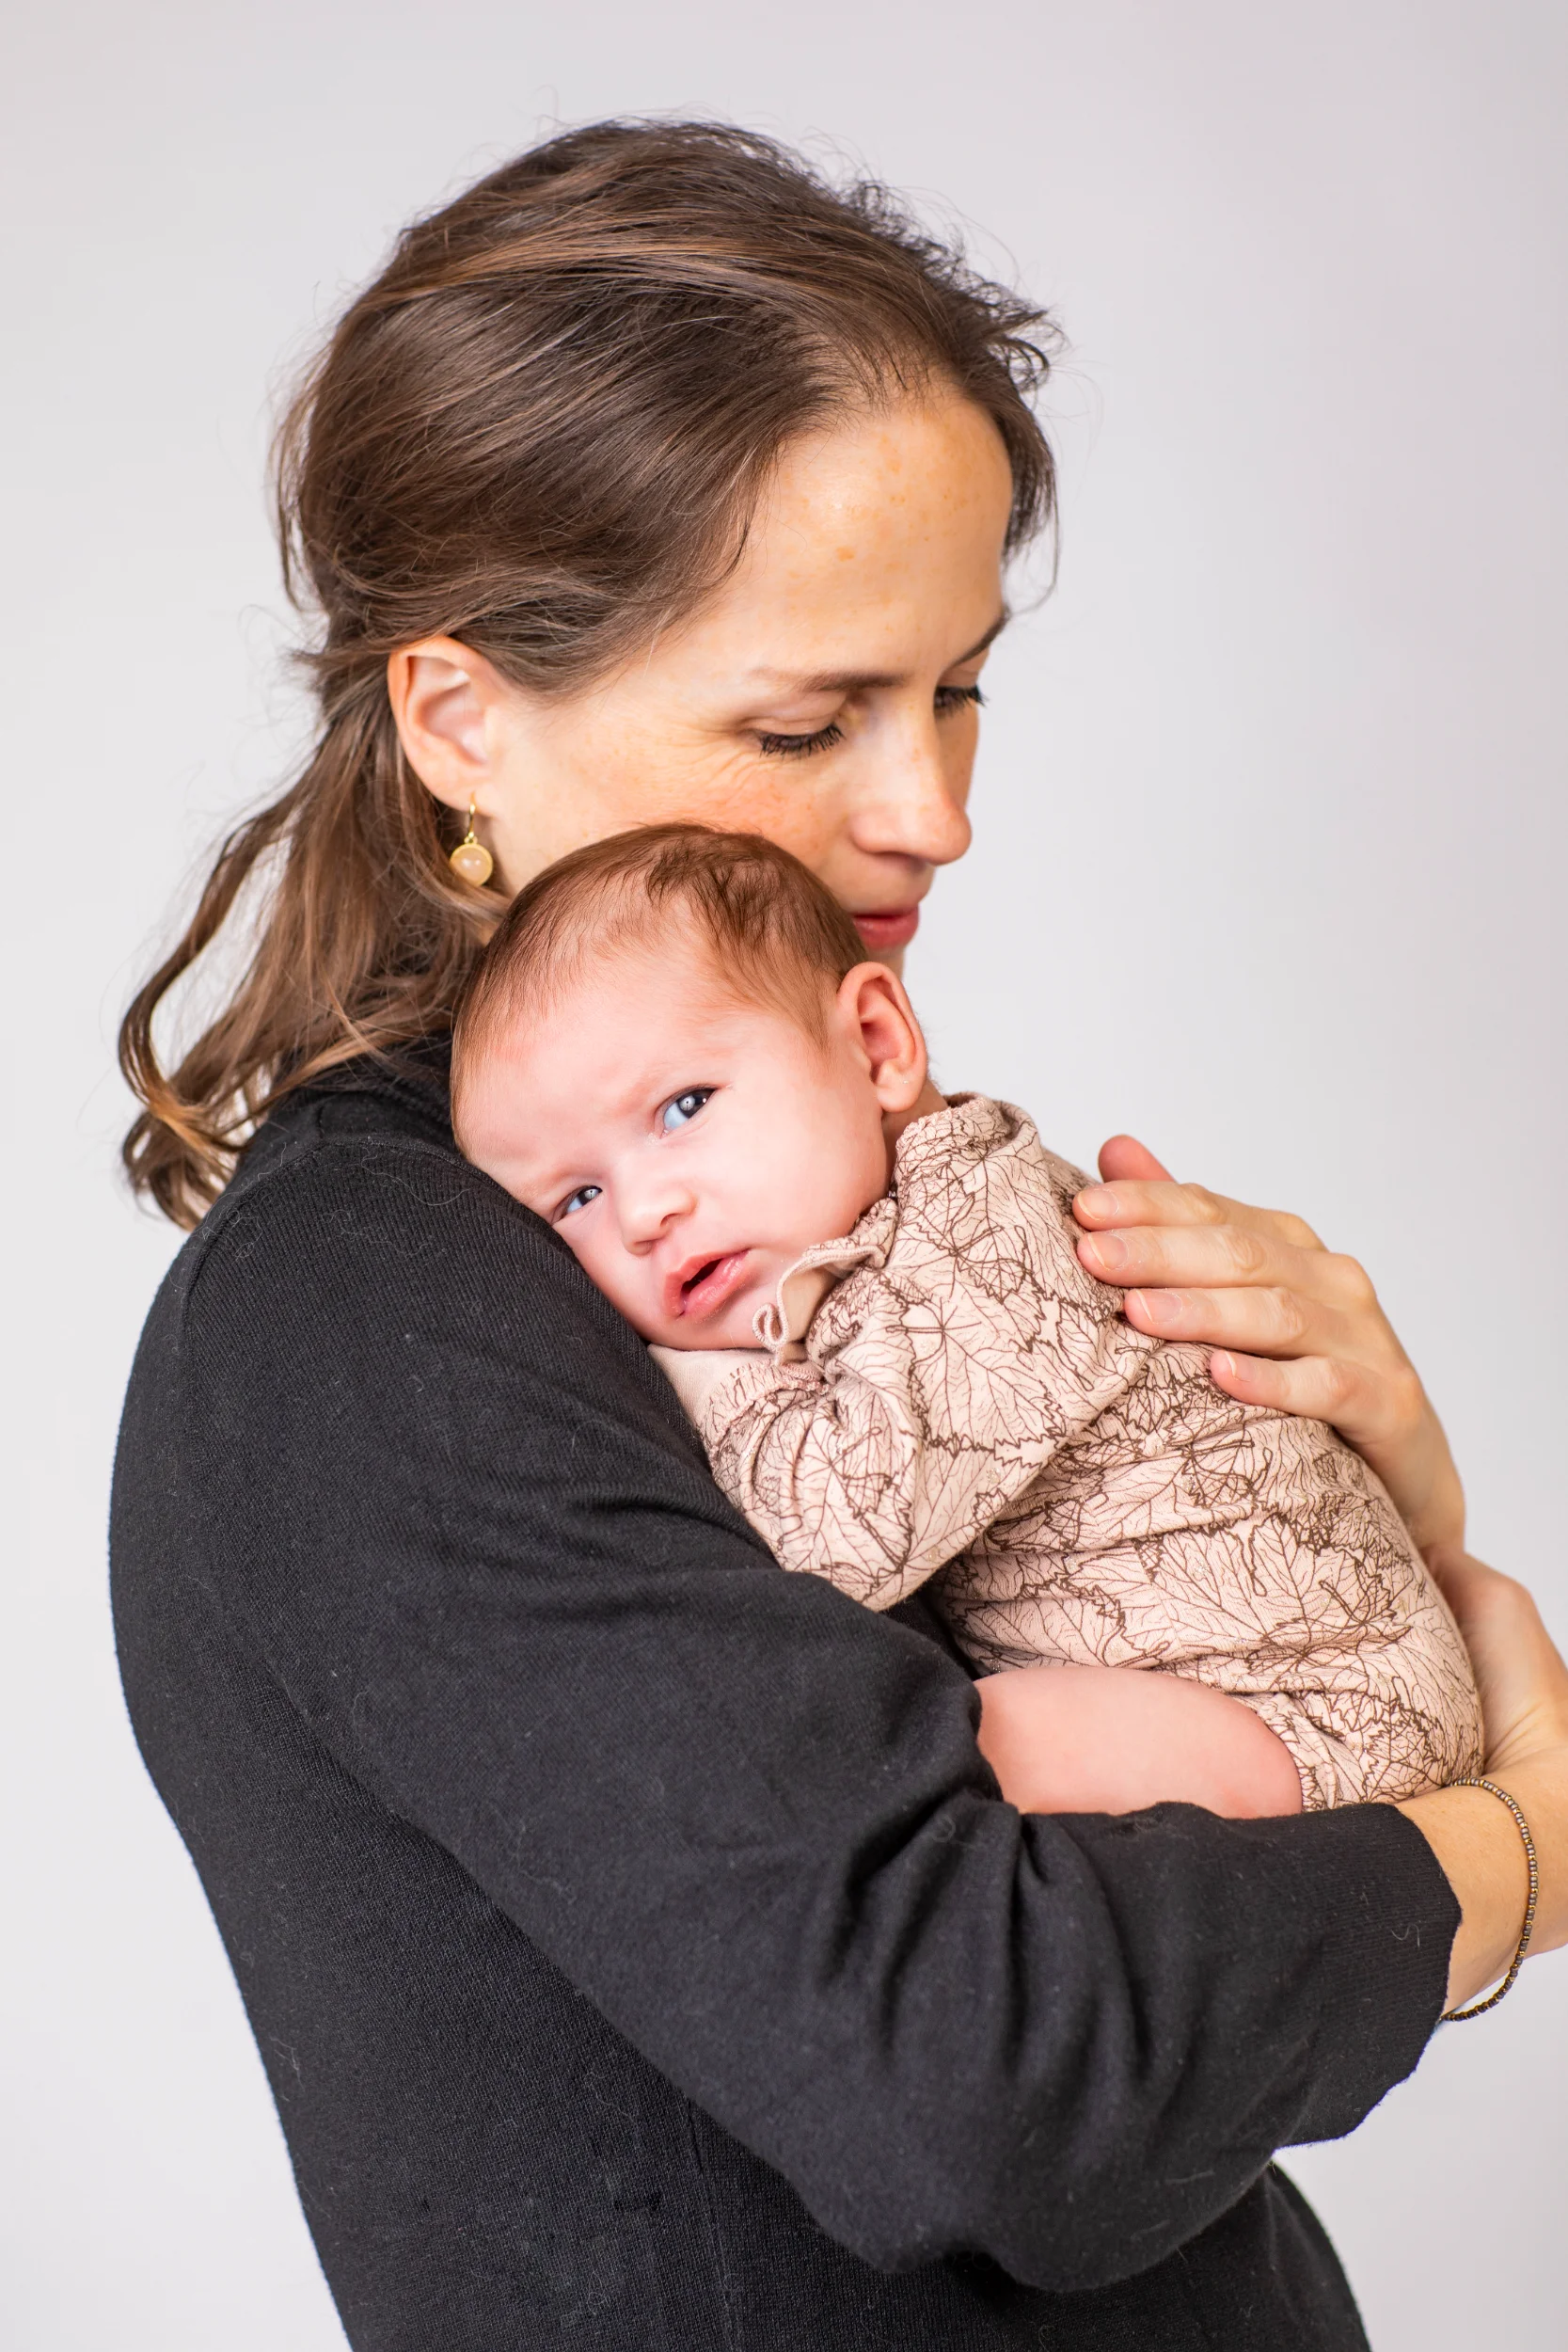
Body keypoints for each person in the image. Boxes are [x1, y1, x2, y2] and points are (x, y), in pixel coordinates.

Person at [111, 120, 1568, 2352]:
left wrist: (1354, 1497)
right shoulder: (369, 1310)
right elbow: (996, 2078)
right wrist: (1503, 1859)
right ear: (460, 713)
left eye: (957, 684)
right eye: (807, 720)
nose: (936, 814)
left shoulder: (777, 1199)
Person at [449, 821, 1482, 1820]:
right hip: (1252, 1706)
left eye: (683, 1107)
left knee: (945, 1747)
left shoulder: (982, 1242)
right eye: (573, 1199)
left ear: (874, 1042)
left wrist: (678, 1370)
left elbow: (845, 1536)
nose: (641, 1213)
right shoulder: (871, 1234)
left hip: (1323, 1711)